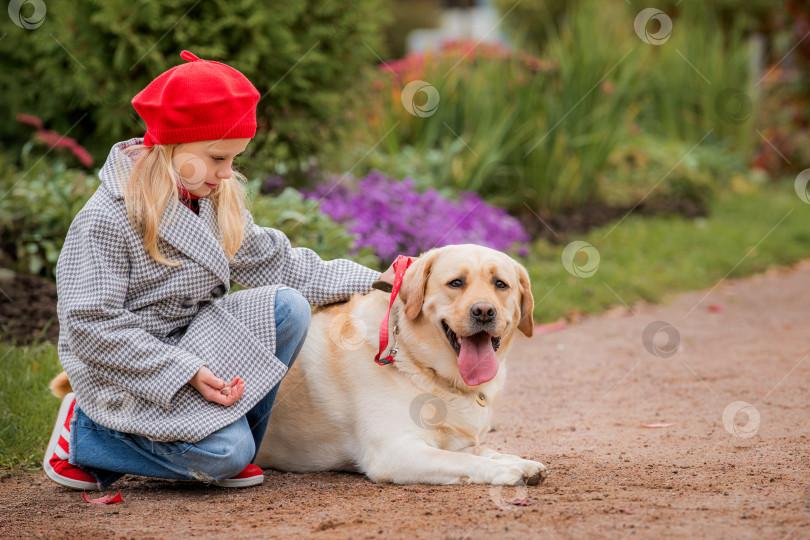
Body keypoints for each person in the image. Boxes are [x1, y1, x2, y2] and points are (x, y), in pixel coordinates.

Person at [43, 50, 397, 490]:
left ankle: (221, 439)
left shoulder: (209, 199)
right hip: (132, 370)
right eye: (217, 158)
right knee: (225, 455)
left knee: (287, 307)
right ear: (174, 145)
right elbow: (89, 325)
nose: (227, 174)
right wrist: (183, 370)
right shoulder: (106, 219)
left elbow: (278, 263)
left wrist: (380, 278)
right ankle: (87, 432)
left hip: (196, 345)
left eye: (234, 159)